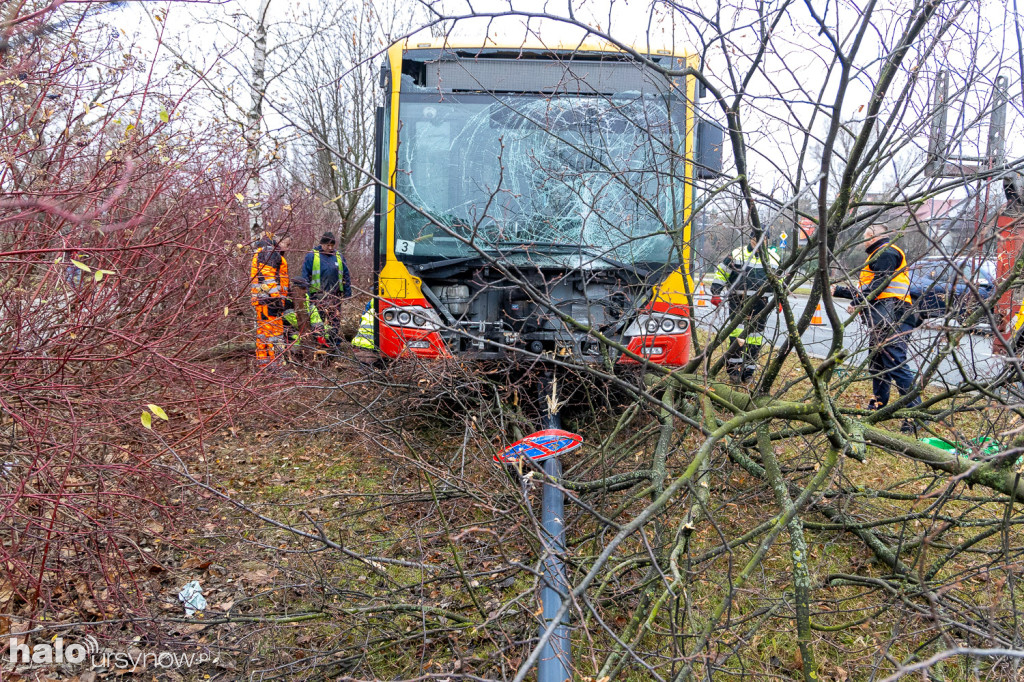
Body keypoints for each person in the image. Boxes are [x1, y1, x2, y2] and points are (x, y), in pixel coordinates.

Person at [833, 225, 921, 431]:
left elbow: (880, 285)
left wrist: (850, 296)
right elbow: (872, 288)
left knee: (894, 362)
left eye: (867, 237)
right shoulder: (878, 255)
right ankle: (879, 405)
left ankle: (915, 414)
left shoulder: (885, 252)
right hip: (886, 314)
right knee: (878, 364)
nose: (864, 241)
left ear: (877, 236)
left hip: (893, 315)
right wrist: (851, 297)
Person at [710, 234, 781, 382]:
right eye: (756, 238)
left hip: (761, 303)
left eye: (763, 238)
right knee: (737, 335)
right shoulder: (737, 254)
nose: (759, 241)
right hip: (738, 300)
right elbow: (722, 272)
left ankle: (749, 372)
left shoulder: (774, 258)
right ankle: (734, 371)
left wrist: (780, 299)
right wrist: (716, 291)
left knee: (755, 339)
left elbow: (779, 280)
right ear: (750, 238)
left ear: (767, 240)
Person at [298, 231, 352, 347]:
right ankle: (320, 344)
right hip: (317, 296)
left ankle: (334, 344)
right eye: (328, 245)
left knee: (334, 321)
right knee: (319, 322)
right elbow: (305, 276)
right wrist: (306, 294)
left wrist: (347, 292)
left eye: (332, 245)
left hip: (335, 296)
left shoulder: (339, 257)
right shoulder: (312, 256)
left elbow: (346, 275)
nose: (330, 248)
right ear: (322, 244)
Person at [250, 232, 292, 368]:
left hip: (263, 300)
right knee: (275, 334)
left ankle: (264, 364)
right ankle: (277, 366)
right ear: (278, 241)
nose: (288, 248)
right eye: (287, 244)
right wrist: (277, 299)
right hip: (269, 301)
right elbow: (268, 277)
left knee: (263, 334)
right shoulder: (270, 252)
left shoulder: (265, 251)